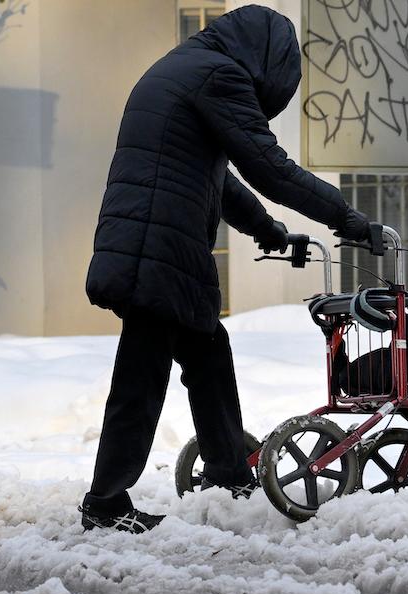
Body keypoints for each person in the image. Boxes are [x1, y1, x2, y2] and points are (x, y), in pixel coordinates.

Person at [80, 4, 375, 533]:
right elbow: (268, 167)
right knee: (140, 377)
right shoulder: (218, 75)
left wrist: (270, 232)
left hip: (156, 241)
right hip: (158, 245)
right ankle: (105, 504)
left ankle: (228, 473)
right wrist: (347, 219)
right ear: (266, 58)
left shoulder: (187, 67)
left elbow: (219, 177)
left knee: (208, 356)